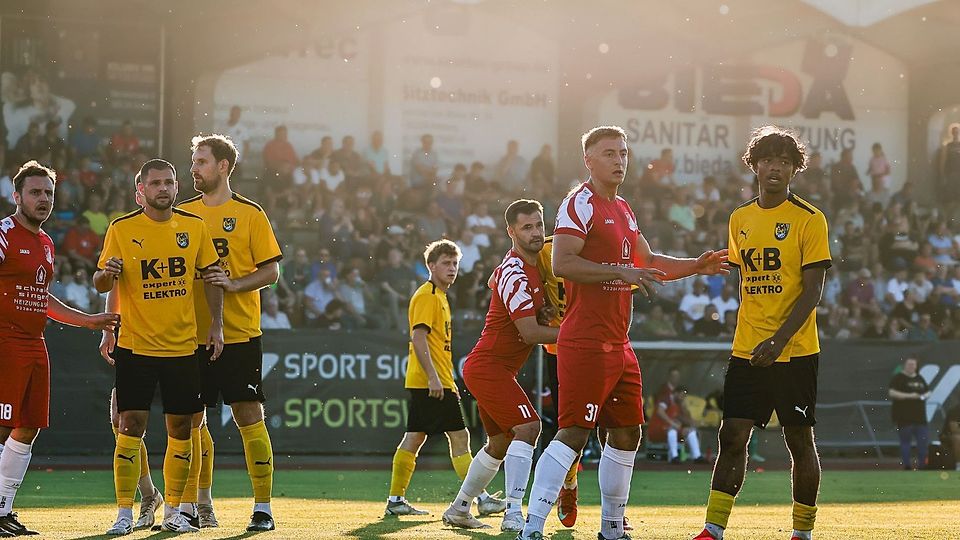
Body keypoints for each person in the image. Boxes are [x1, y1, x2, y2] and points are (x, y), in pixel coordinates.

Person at [518, 125, 729, 540]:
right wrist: (620, 271)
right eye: (609, 153)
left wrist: (695, 266)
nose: (619, 160)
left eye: (624, 153)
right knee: (574, 433)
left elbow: (647, 262)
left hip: (619, 343)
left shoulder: (625, 209)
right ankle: (531, 527)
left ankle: (612, 527)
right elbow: (562, 263)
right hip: (584, 340)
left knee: (629, 432)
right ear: (588, 160)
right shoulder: (578, 203)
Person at [694, 126, 832, 540]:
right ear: (754, 165)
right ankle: (713, 529)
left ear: (794, 169)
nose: (776, 168)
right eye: (768, 160)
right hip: (747, 348)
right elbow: (747, 283)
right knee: (732, 435)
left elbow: (812, 291)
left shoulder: (810, 219)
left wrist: (779, 339)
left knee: (799, 440)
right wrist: (755, 334)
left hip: (795, 350)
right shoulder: (739, 218)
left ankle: (802, 532)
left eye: (785, 162)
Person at [94, 158, 224, 535]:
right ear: (141, 190)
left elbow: (212, 277)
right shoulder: (121, 228)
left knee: (181, 428)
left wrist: (216, 324)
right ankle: (124, 513)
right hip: (136, 346)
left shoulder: (194, 227)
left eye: (168, 182)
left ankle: (176, 512)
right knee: (129, 425)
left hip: (182, 347)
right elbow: (102, 282)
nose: (163, 188)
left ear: (177, 187)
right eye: (155, 183)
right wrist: (106, 280)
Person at [0, 161, 119, 537]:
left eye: (49, 193)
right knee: (2, 426)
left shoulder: (47, 243)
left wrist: (87, 320)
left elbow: (42, 296)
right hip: (5, 341)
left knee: (28, 426)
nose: (44, 199)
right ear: (17, 196)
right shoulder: (4, 233)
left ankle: (3, 509)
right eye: (35, 192)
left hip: (35, 342)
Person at [176, 134, 283, 532]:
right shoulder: (181, 214)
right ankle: (194, 505)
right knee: (191, 420)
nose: (193, 169)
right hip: (190, 337)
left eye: (201, 161)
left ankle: (263, 508)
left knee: (248, 415)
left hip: (240, 334)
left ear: (223, 166)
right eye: (193, 161)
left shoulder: (250, 214)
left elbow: (271, 271)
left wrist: (234, 284)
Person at [441, 200, 559, 532]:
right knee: (529, 428)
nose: (536, 233)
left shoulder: (532, 266)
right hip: (488, 367)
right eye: (527, 227)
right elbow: (530, 333)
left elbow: (501, 288)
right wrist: (578, 334)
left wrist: (545, 313)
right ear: (511, 232)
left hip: (493, 369)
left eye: (539, 225)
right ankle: (513, 513)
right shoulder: (515, 271)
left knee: (500, 443)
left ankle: (459, 509)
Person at [384, 240, 505, 518]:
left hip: (433, 380)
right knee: (459, 436)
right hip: (431, 381)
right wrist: (434, 378)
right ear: (431, 266)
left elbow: (434, 344)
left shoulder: (438, 295)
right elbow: (418, 338)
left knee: (415, 437)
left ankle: (395, 500)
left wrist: (442, 379)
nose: (452, 268)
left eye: (455, 263)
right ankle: (481, 498)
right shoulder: (427, 296)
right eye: (446, 263)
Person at [888, 357, 931, 470]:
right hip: (904, 417)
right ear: (905, 365)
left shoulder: (919, 378)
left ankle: (922, 465)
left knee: (922, 443)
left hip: (920, 418)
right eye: (909, 364)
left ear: (916, 366)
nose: (911, 366)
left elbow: (928, 391)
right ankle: (907, 465)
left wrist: (923, 396)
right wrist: (910, 396)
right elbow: (892, 392)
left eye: (913, 364)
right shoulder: (898, 378)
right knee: (905, 442)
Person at [646, 385, 705, 464]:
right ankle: (674, 456)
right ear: (676, 393)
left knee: (691, 431)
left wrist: (685, 410)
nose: (683, 398)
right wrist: (672, 423)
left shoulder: (678, 405)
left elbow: (683, 419)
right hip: (657, 430)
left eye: (684, 396)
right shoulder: (667, 399)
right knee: (672, 430)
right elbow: (660, 411)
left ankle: (697, 456)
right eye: (682, 395)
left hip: (669, 430)